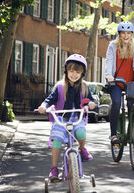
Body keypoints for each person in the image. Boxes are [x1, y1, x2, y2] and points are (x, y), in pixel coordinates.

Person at [38, 54, 96, 182]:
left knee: (81, 133)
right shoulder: (60, 86)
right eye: (71, 71)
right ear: (66, 71)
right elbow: (49, 99)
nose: (74, 75)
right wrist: (43, 106)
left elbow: (90, 100)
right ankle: (54, 168)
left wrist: (91, 104)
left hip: (77, 118)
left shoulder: (84, 87)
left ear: (82, 73)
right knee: (57, 140)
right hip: (62, 119)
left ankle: (82, 149)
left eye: (77, 72)